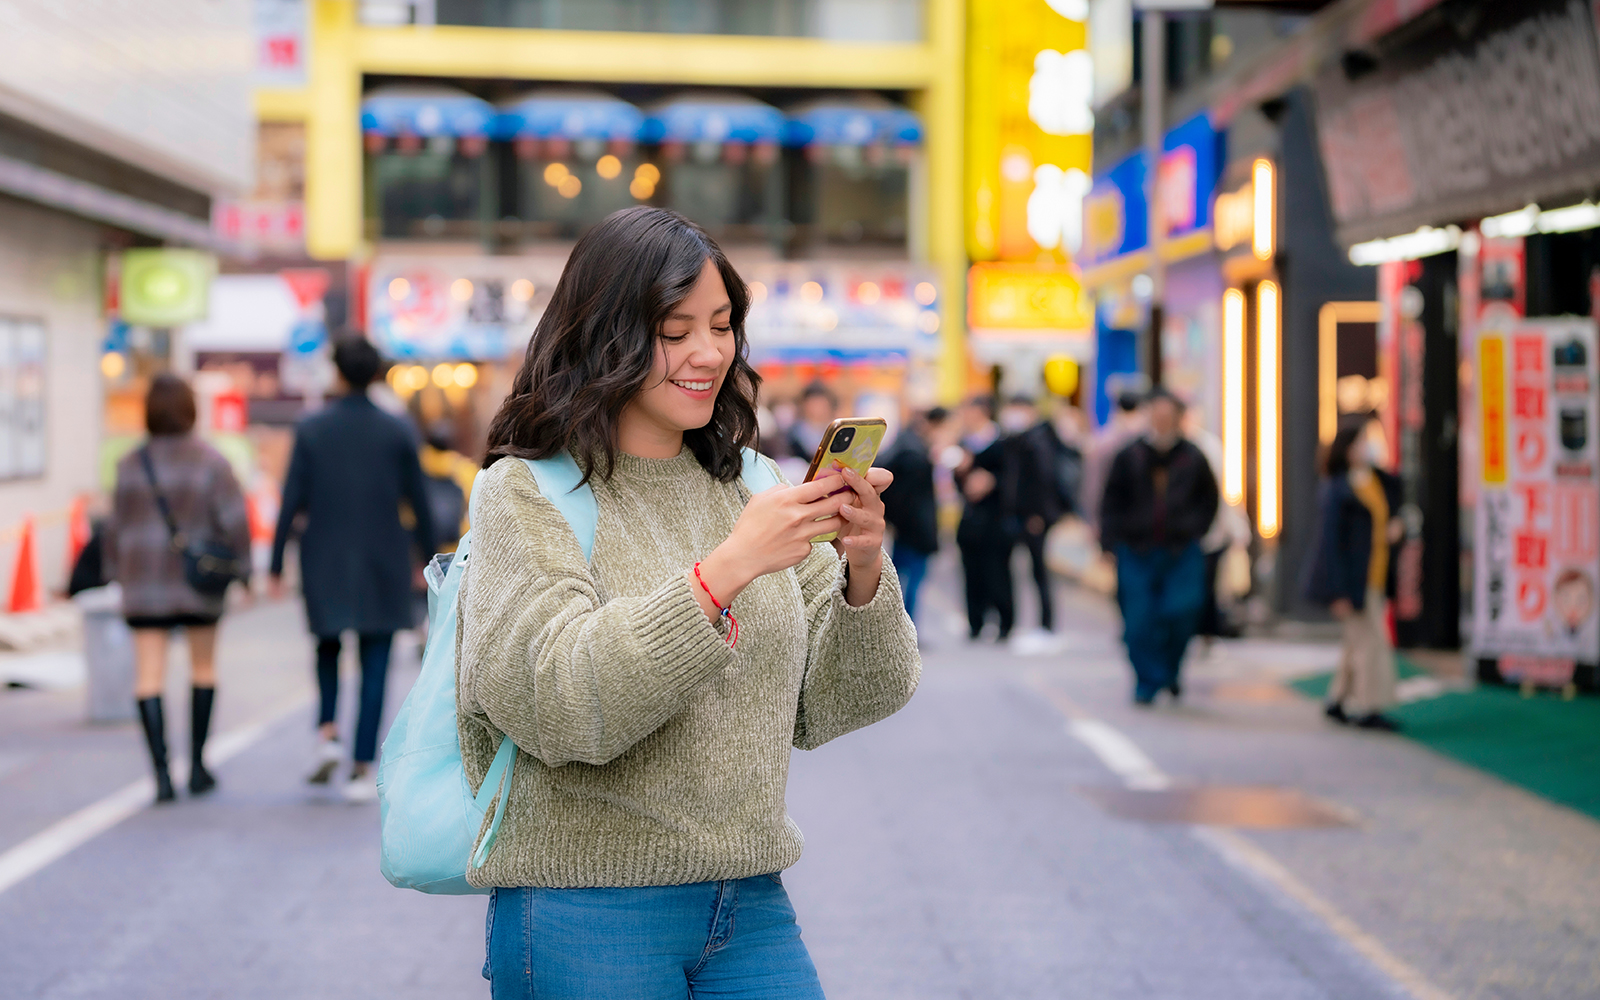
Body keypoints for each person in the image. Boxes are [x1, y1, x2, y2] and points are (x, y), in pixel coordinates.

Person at [457, 206, 920, 999]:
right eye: (675, 331)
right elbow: (559, 705)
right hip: (583, 908)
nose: (708, 353)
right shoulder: (526, 493)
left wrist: (863, 564)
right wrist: (725, 572)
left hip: (751, 903)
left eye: (722, 323)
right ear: (606, 335)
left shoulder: (754, 483)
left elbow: (838, 702)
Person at [270, 337, 436, 802]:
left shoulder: (312, 428)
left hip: (323, 553)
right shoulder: (397, 429)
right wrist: (428, 560)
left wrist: (275, 560)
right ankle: (363, 766)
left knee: (326, 643)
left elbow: (291, 499)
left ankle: (328, 733)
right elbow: (418, 502)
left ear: (338, 373)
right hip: (384, 554)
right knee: (376, 660)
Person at [104, 374, 250, 803]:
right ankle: (199, 767)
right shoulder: (211, 462)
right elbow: (235, 523)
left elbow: (113, 529)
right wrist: (243, 570)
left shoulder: (130, 465)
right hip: (197, 584)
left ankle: (162, 777)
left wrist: (118, 573)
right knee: (202, 668)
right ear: (190, 409)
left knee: (148, 676)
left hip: (142, 584)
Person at [1099, 388, 1219, 704]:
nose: (1162, 420)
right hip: (1136, 549)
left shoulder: (1193, 456)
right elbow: (1111, 499)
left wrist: (1195, 529)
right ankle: (1147, 681)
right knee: (1138, 620)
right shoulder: (1130, 455)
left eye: (1169, 415)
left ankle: (1169, 670)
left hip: (1181, 549)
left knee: (1182, 611)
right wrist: (1108, 541)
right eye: (1157, 413)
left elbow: (1210, 499)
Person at [1303, 415, 1404, 731]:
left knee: (1357, 642)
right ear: (1348, 448)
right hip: (1353, 580)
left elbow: (1392, 506)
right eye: (1363, 441)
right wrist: (1338, 591)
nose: (1369, 446)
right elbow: (1330, 544)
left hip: (1376, 573)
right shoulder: (1336, 488)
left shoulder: (1375, 480)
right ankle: (1369, 706)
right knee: (1371, 642)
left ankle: (1337, 700)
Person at [999, 396, 1073, 634]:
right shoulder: (1019, 440)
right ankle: (1019, 623)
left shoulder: (1039, 441)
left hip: (1034, 517)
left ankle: (1046, 625)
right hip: (1020, 514)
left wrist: (1038, 515)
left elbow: (1044, 481)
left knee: (1039, 572)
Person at [954, 395, 1014, 640]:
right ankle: (975, 622)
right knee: (972, 574)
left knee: (998, 573)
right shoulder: (964, 444)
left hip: (996, 520)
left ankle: (1004, 622)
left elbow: (1013, 479)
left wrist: (992, 482)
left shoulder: (1002, 443)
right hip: (971, 520)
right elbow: (957, 482)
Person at [880, 406, 947, 624]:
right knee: (911, 580)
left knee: (897, 578)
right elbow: (913, 498)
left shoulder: (906, 446)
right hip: (916, 529)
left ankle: (899, 626)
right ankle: (905, 627)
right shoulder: (915, 454)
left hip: (905, 527)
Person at [1082, 389, 1145, 535]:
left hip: (1119, 518)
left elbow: (1092, 486)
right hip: (1125, 518)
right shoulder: (1107, 443)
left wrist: (1093, 521)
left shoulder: (1102, 441)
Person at [785, 380, 838, 463]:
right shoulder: (794, 433)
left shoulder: (836, 428)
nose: (817, 408)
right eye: (813, 403)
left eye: (821, 403)